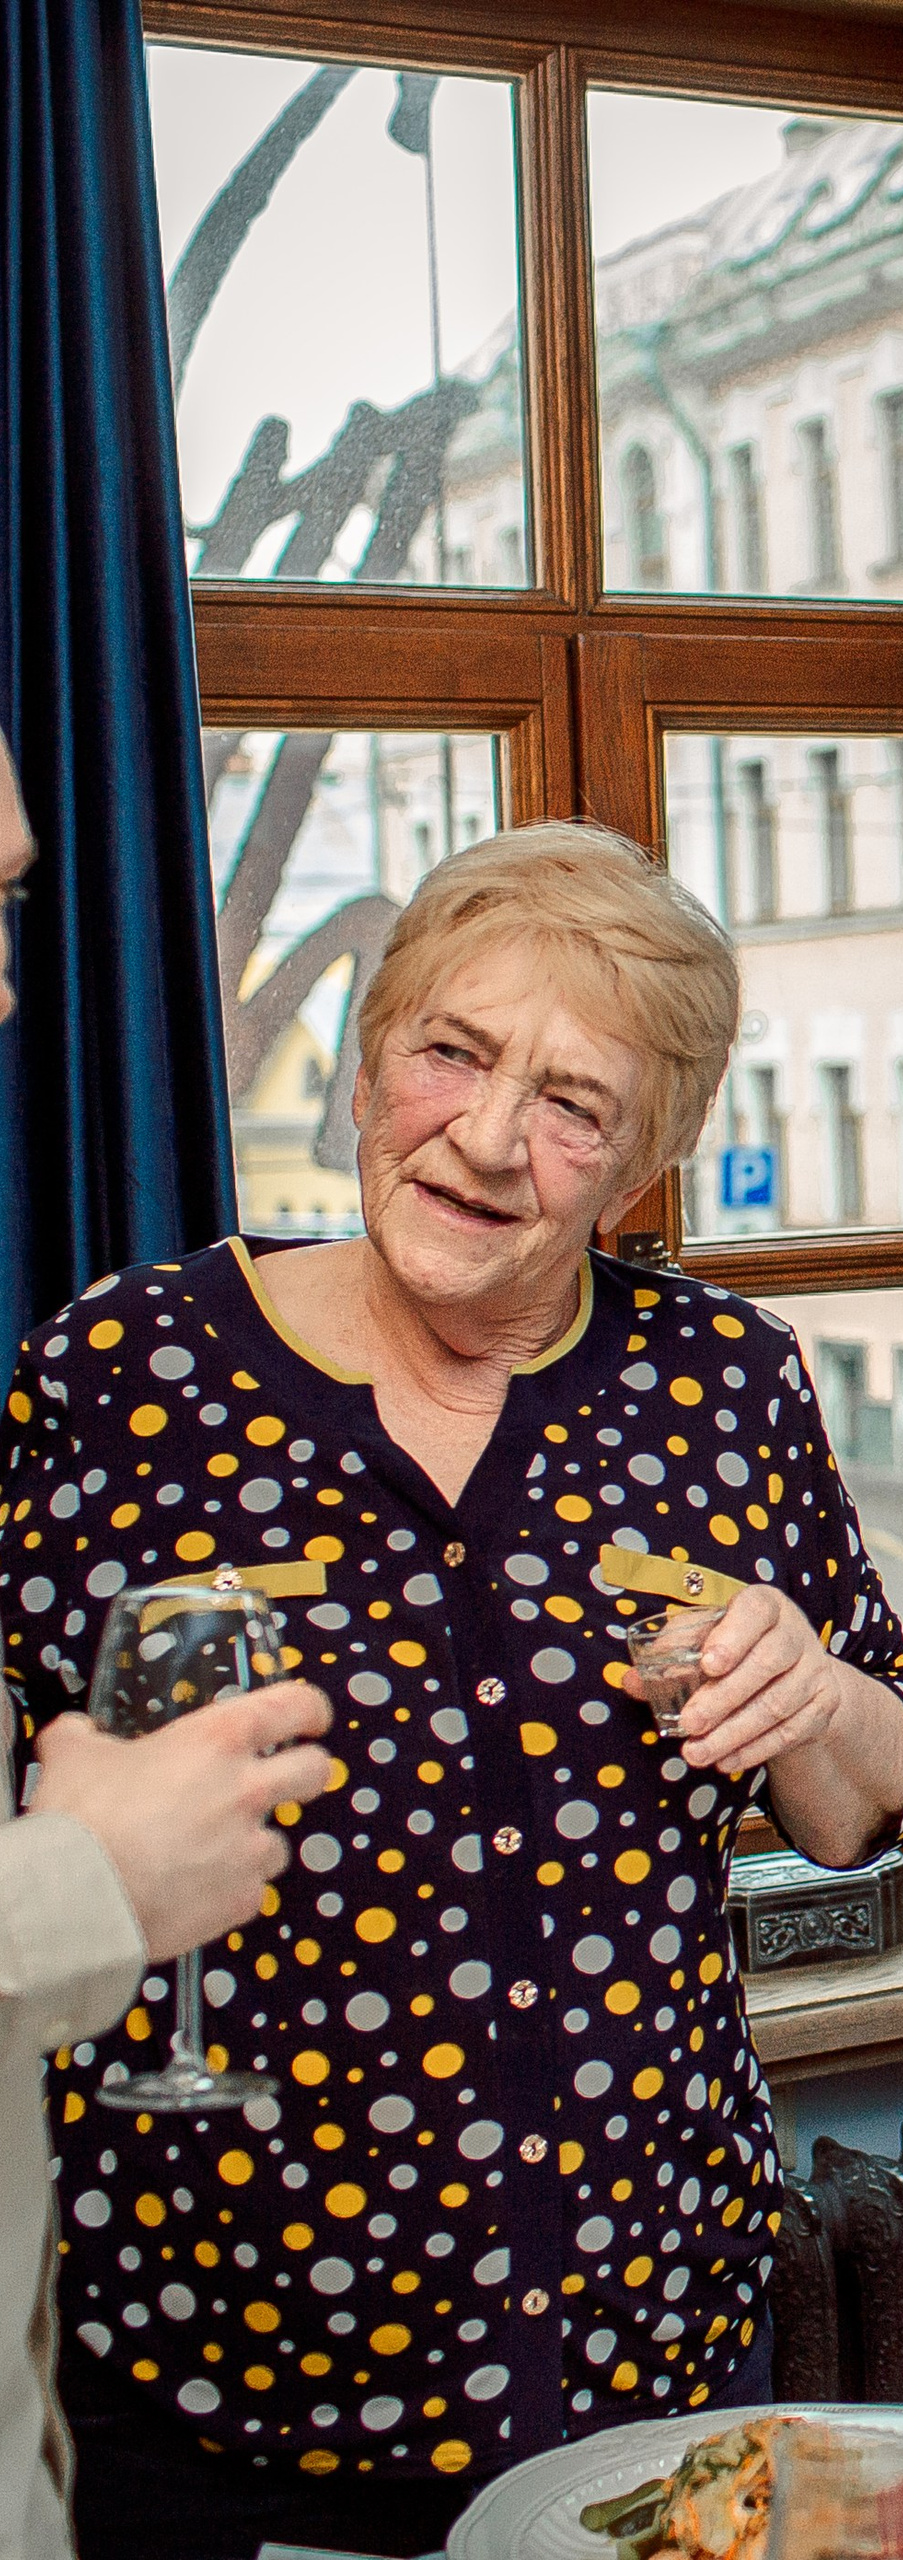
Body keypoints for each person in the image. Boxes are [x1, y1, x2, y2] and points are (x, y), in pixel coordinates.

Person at [5, 821, 903, 2560]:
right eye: (450, 1052)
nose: (491, 1138)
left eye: (575, 1104)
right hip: (224, 2379)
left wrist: (812, 1697)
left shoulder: (719, 1384)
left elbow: (875, 1794)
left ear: (639, 1167)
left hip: (647, 2356)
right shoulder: (125, 1371)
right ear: (373, 1057)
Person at [0, 731, 337, 2560]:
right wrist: (83, 1885)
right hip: (188, 2388)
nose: (3, 984)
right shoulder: (124, 1365)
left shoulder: (717, 1376)